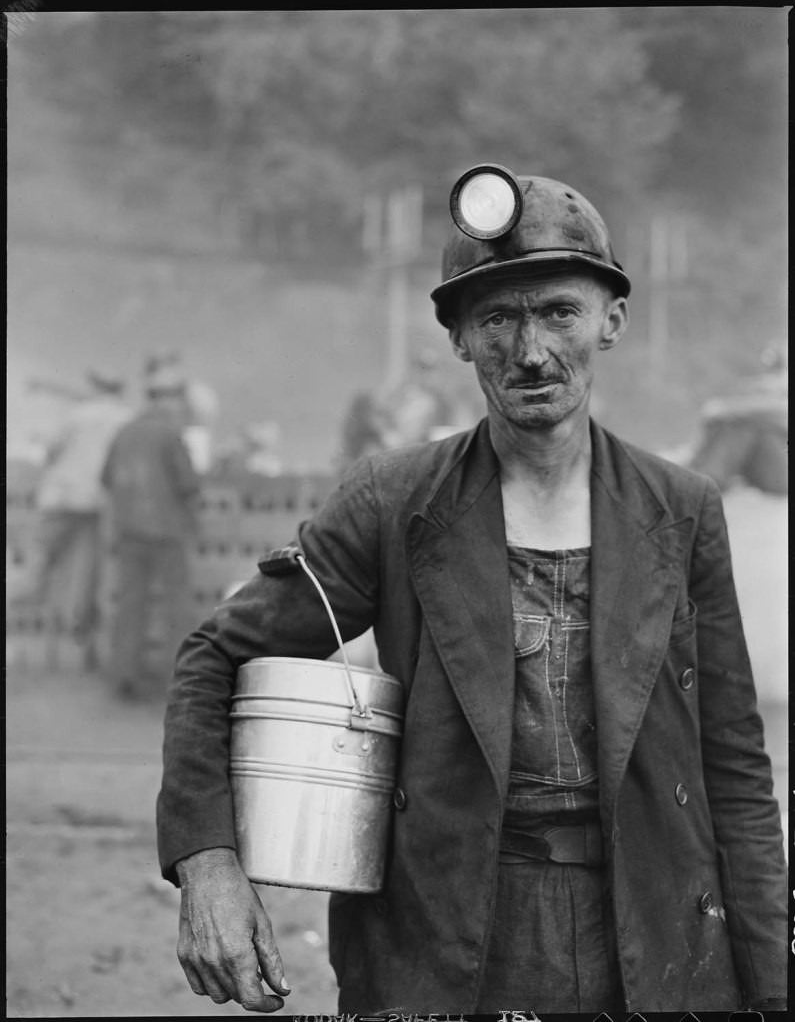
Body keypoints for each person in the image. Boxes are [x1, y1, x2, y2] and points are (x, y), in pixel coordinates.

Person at [156, 165, 786, 1014]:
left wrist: (772, 981)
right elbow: (214, 658)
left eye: (559, 311)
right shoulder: (395, 503)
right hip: (445, 938)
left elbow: (734, 767)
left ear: (612, 320)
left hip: (654, 934)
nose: (529, 351)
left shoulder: (679, 511)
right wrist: (209, 865)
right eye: (496, 318)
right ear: (457, 337)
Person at [101, 359, 200, 701]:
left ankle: (124, 675)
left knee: (130, 604)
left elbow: (106, 478)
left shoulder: (125, 431)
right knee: (176, 604)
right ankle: (180, 675)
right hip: (167, 532)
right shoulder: (170, 433)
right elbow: (188, 483)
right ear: (165, 399)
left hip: (129, 532)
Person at [30, 368, 132, 668]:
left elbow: (51, 450)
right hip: (95, 503)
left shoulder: (79, 414)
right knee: (86, 575)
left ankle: (30, 614)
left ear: (96, 386)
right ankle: (81, 644)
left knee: (39, 565)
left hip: (60, 499)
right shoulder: (124, 418)